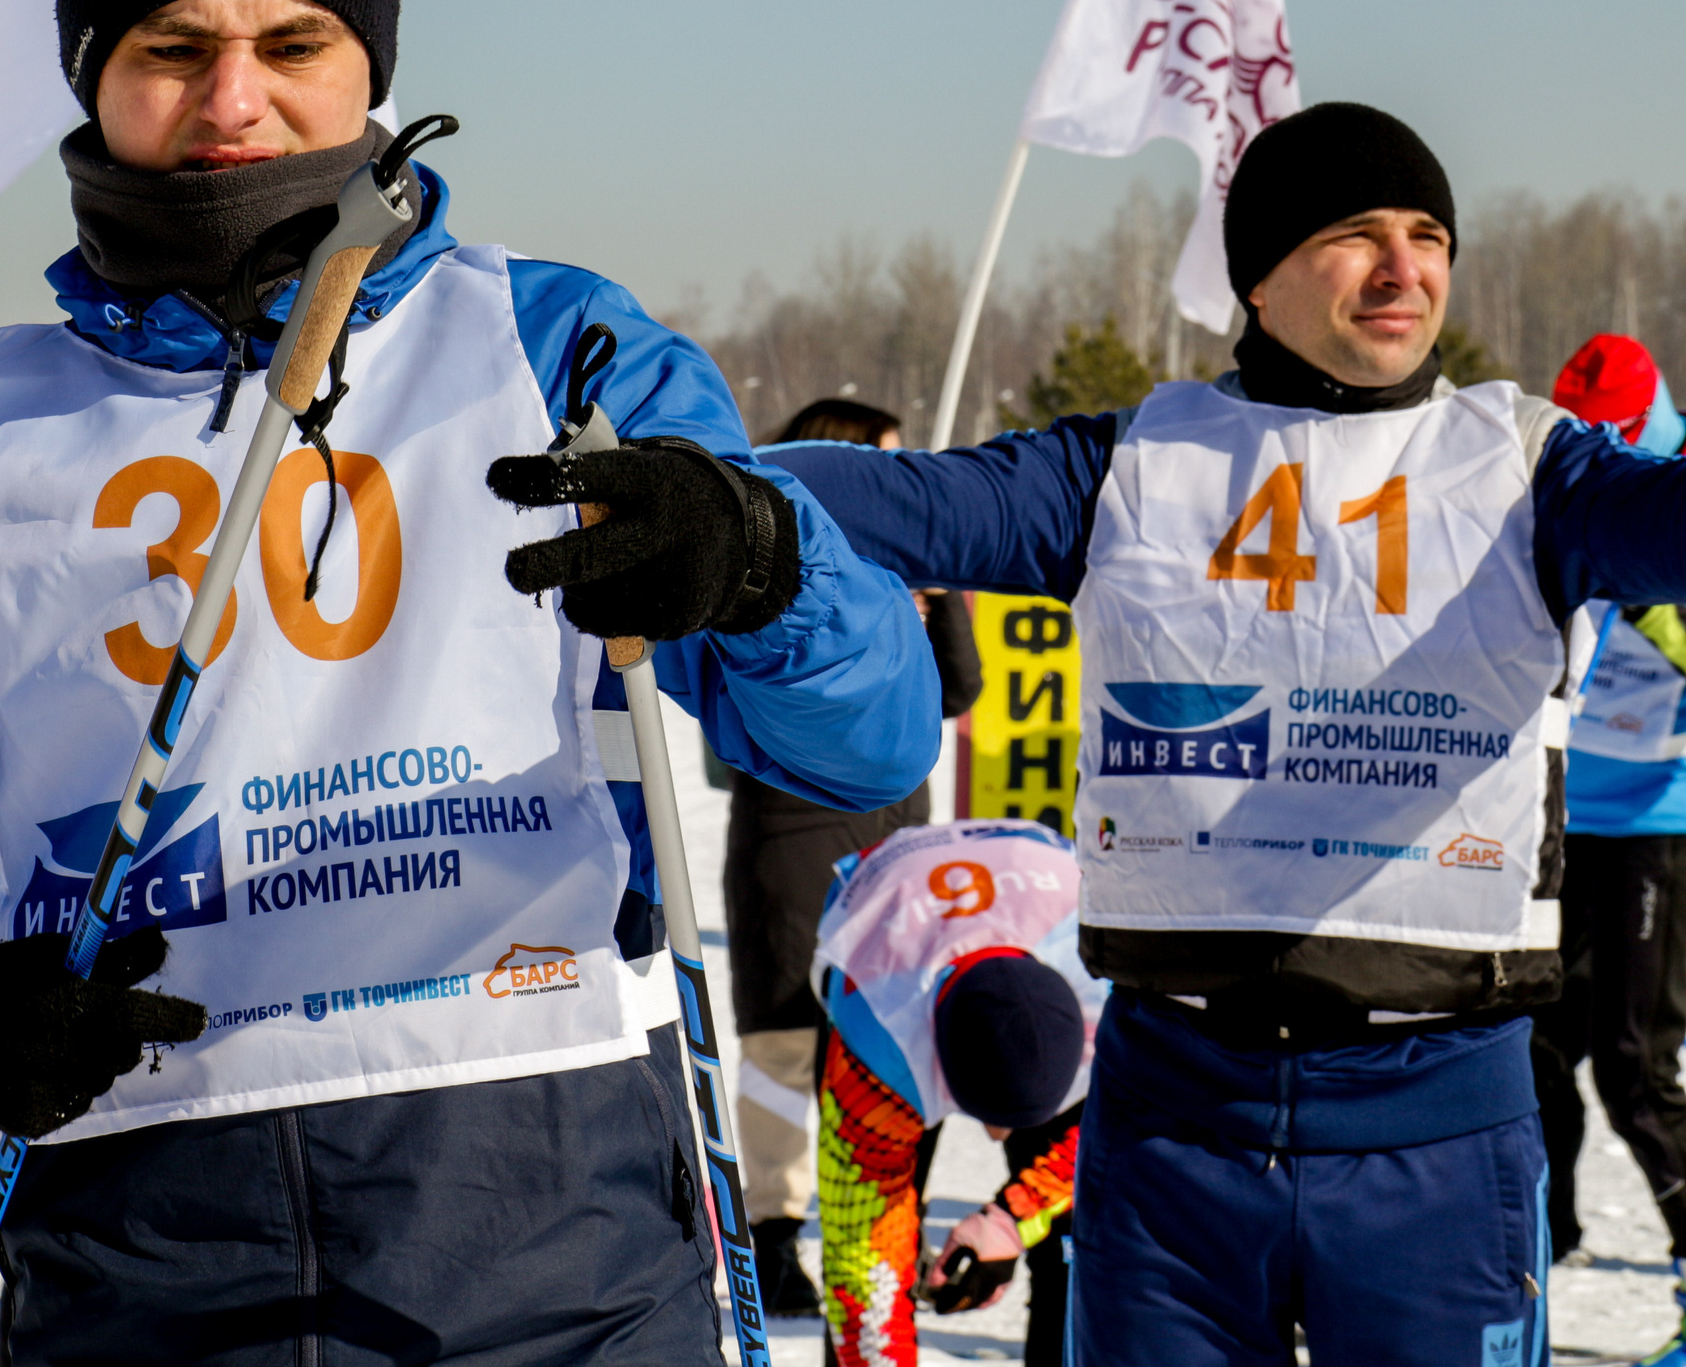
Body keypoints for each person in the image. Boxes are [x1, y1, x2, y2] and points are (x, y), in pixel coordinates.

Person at [0, 0, 939, 1364]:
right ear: (94, 70)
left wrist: (764, 566)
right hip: (138, 1258)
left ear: (373, 65)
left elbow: (870, 739)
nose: (237, 100)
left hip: (545, 1246)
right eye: (173, 46)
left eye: (294, 40)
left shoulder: (556, 346)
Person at [765, 102, 1686, 1365]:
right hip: (1172, 1128)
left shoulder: (1530, 466)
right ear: (1259, 277)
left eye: (1428, 237)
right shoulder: (1137, 462)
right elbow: (908, 500)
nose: (1404, 268)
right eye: (1356, 236)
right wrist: (711, 490)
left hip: (1440, 1125)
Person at [721, 397, 983, 1318]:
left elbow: (960, 688)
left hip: (896, 849)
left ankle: (880, 1227)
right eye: (887, 463)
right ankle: (770, 1228)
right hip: (795, 842)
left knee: (894, 1042)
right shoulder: (765, 552)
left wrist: (937, 590)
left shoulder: (901, 571)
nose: (901, 483)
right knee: (789, 1045)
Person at [810, 816, 1098, 1367]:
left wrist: (1010, 1221)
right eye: (986, 1115)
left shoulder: (1108, 986)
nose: (996, 1138)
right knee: (882, 1242)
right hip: (889, 930)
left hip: (1045, 895)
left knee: (1076, 1235)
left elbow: (1110, 1137)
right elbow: (863, 1261)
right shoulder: (878, 1044)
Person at [1530, 336, 1686, 1339]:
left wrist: (1642, 586)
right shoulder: (1565, 475)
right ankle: (1532, 1250)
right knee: (1531, 1045)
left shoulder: (1668, 491)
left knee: (1634, 1060)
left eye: (1612, 433)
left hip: (1655, 823)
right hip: (1560, 816)